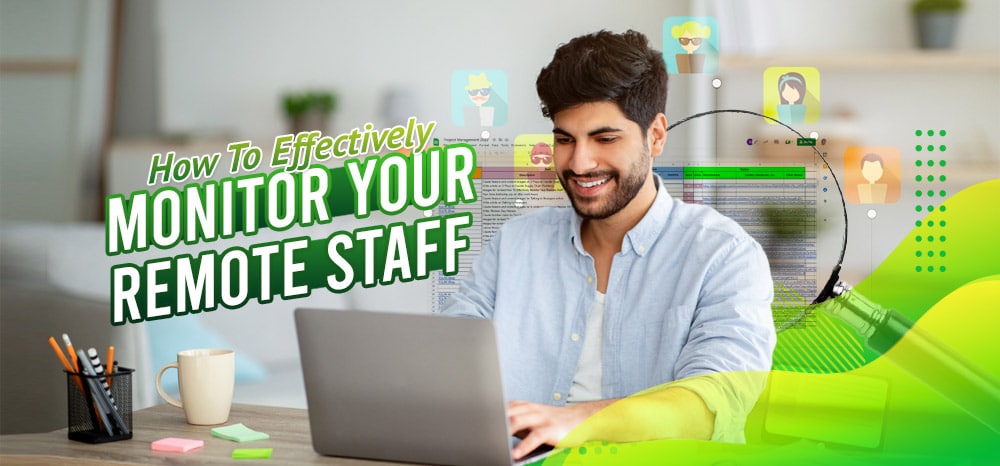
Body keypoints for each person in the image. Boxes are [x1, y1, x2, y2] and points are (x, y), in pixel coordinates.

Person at [443, 30, 775, 459]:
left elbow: (710, 406)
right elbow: (448, 362)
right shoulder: (515, 244)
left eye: (604, 139)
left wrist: (576, 419)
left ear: (655, 136)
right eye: (565, 139)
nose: (579, 163)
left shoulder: (724, 255)